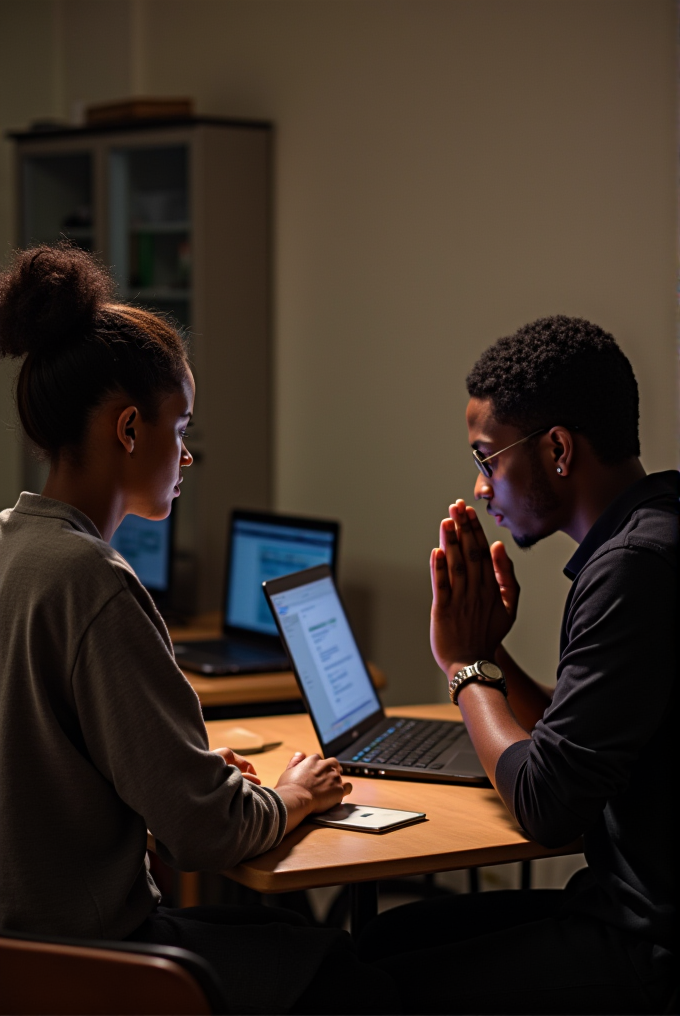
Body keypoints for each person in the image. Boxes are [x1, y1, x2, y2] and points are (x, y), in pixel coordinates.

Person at [0, 244, 401, 1015]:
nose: (186, 455)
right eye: (178, 426)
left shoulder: (14, 544)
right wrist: (294, 796)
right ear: (127, 430)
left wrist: (178, 764)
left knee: (276, 937)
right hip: (87, 962)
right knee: (353, 979)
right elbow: (205, 836)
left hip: (18, 951)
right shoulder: (94, 583)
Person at [358, 316, 677, 1015]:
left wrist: (465, 668)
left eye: (487, 458)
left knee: (371, 985)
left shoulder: (633, 569)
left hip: (648, 949)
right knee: (385, 940)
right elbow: (575, 746)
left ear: (558, 449)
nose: (480, 489)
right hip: (617, 911)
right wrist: (490, 653)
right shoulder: (652, 530)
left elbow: (546, 805)